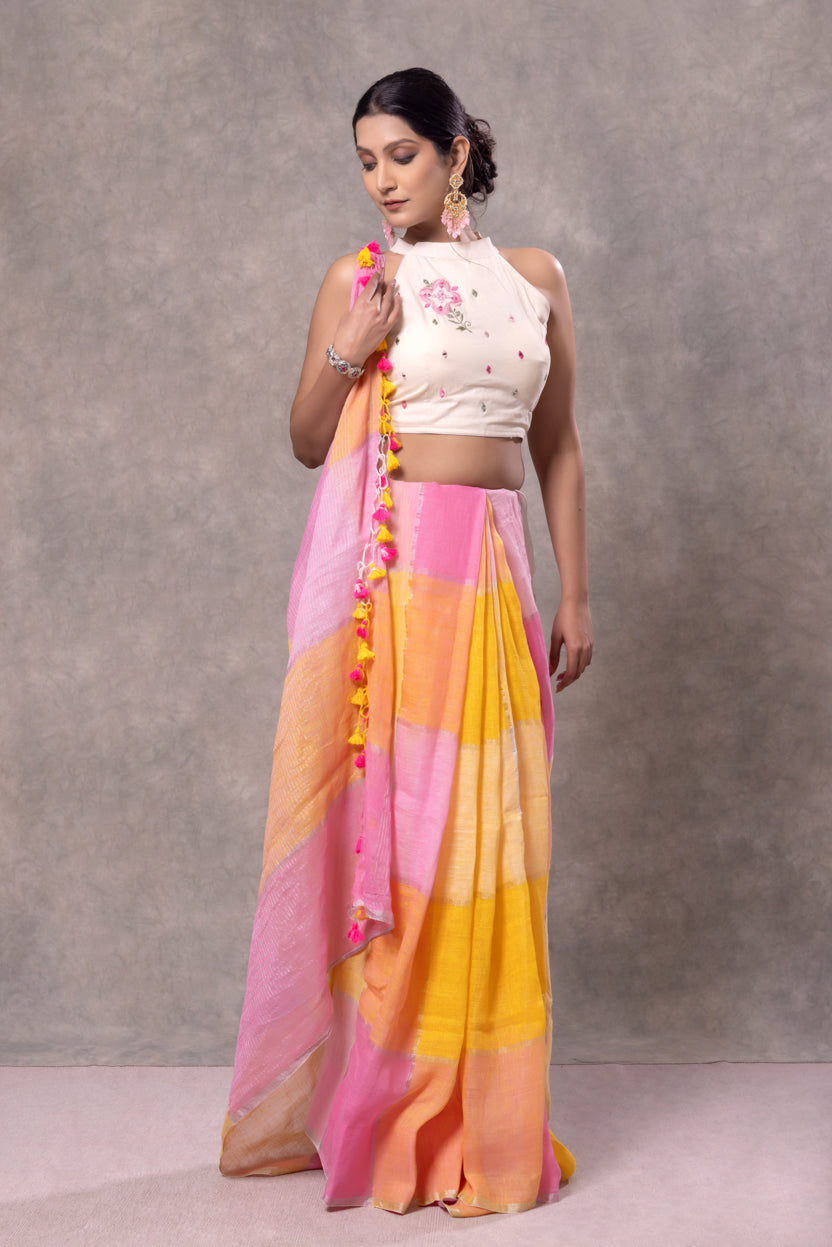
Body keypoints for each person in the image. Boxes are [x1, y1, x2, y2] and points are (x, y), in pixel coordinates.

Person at [218, 67, 592, 1218]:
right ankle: (396, 1111)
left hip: (495, 573)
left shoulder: (533, 279)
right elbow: (303, 436)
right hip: (402, 591)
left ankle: (485, 1111)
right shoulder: (361, 277)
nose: (383, 181)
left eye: (401, 156)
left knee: (495, 842)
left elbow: (559, 446)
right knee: (412, 853)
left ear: (456, 153)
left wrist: (577, 593)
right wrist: (352, 343)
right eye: (367, 162)